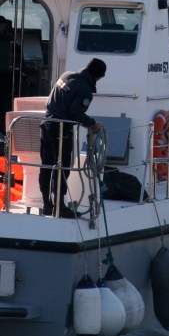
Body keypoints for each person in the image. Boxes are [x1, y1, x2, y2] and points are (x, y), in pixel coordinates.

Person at [40, 58, 106, 217]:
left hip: (46, 124)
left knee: (47, 167)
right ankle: (59, 207)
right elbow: (75, 113)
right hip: (60, 131)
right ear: (98, 76)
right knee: (62, 168)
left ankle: (47, 204)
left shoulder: (66, 75)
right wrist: (92, 124)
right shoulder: (85, 90)